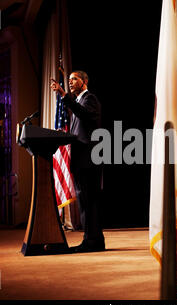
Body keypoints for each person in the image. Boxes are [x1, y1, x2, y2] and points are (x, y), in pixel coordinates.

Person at [51, 70, 105, 253]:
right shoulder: (79, 102)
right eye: (69, 79)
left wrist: (64, 95)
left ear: (85, 81)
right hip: (82, 159)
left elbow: (83, 113)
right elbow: (79, 132)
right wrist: (64, 136)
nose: (71, 82)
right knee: (86, 202)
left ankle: (92, 242)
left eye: (74, 79)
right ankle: (94, 241)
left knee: (89, 202)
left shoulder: (89, 99)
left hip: (89, 160)